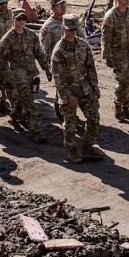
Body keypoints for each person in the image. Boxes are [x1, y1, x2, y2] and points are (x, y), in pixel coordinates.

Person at [51, 14, 103, 163]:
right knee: (70, 123)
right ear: (63, 29)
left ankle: (88, 147)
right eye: (69, 29)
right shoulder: (58, 51)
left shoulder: (83, 45)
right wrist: (68, 96)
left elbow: (91, 68)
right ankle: (71, 149)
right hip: (69, 92)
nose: (73, 32)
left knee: (94, 118)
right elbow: (58, 78)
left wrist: (94, 87)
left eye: (75, 29)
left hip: (85, 89)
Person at [0, 9, 48, 142]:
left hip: (32, 72)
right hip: (18, 74)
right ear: (13, 19)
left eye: (24, 19)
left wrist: (46, 68)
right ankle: (36, 131)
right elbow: (2, 60)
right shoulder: (7, 39)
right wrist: (0, 77)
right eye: (19, 19)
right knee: (30, 101)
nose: (21, 22)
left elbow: (39, 53)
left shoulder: (31, 35)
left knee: (23, 98)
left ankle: (14, 114)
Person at [101, 0, 129, 122]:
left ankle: (126, 106)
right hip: (118, 55)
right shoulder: (110, 16)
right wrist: (107, 56)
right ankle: (117, 104)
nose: (128, 0)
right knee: (124, 82)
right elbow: (106, 38)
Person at [39, 0, 70, 67]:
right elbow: (45, 50)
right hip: (58, 65)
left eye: (64, 4)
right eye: (59, 6)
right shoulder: (48, 26)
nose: (63, 8)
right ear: (52, 8)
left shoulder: (69, 21)